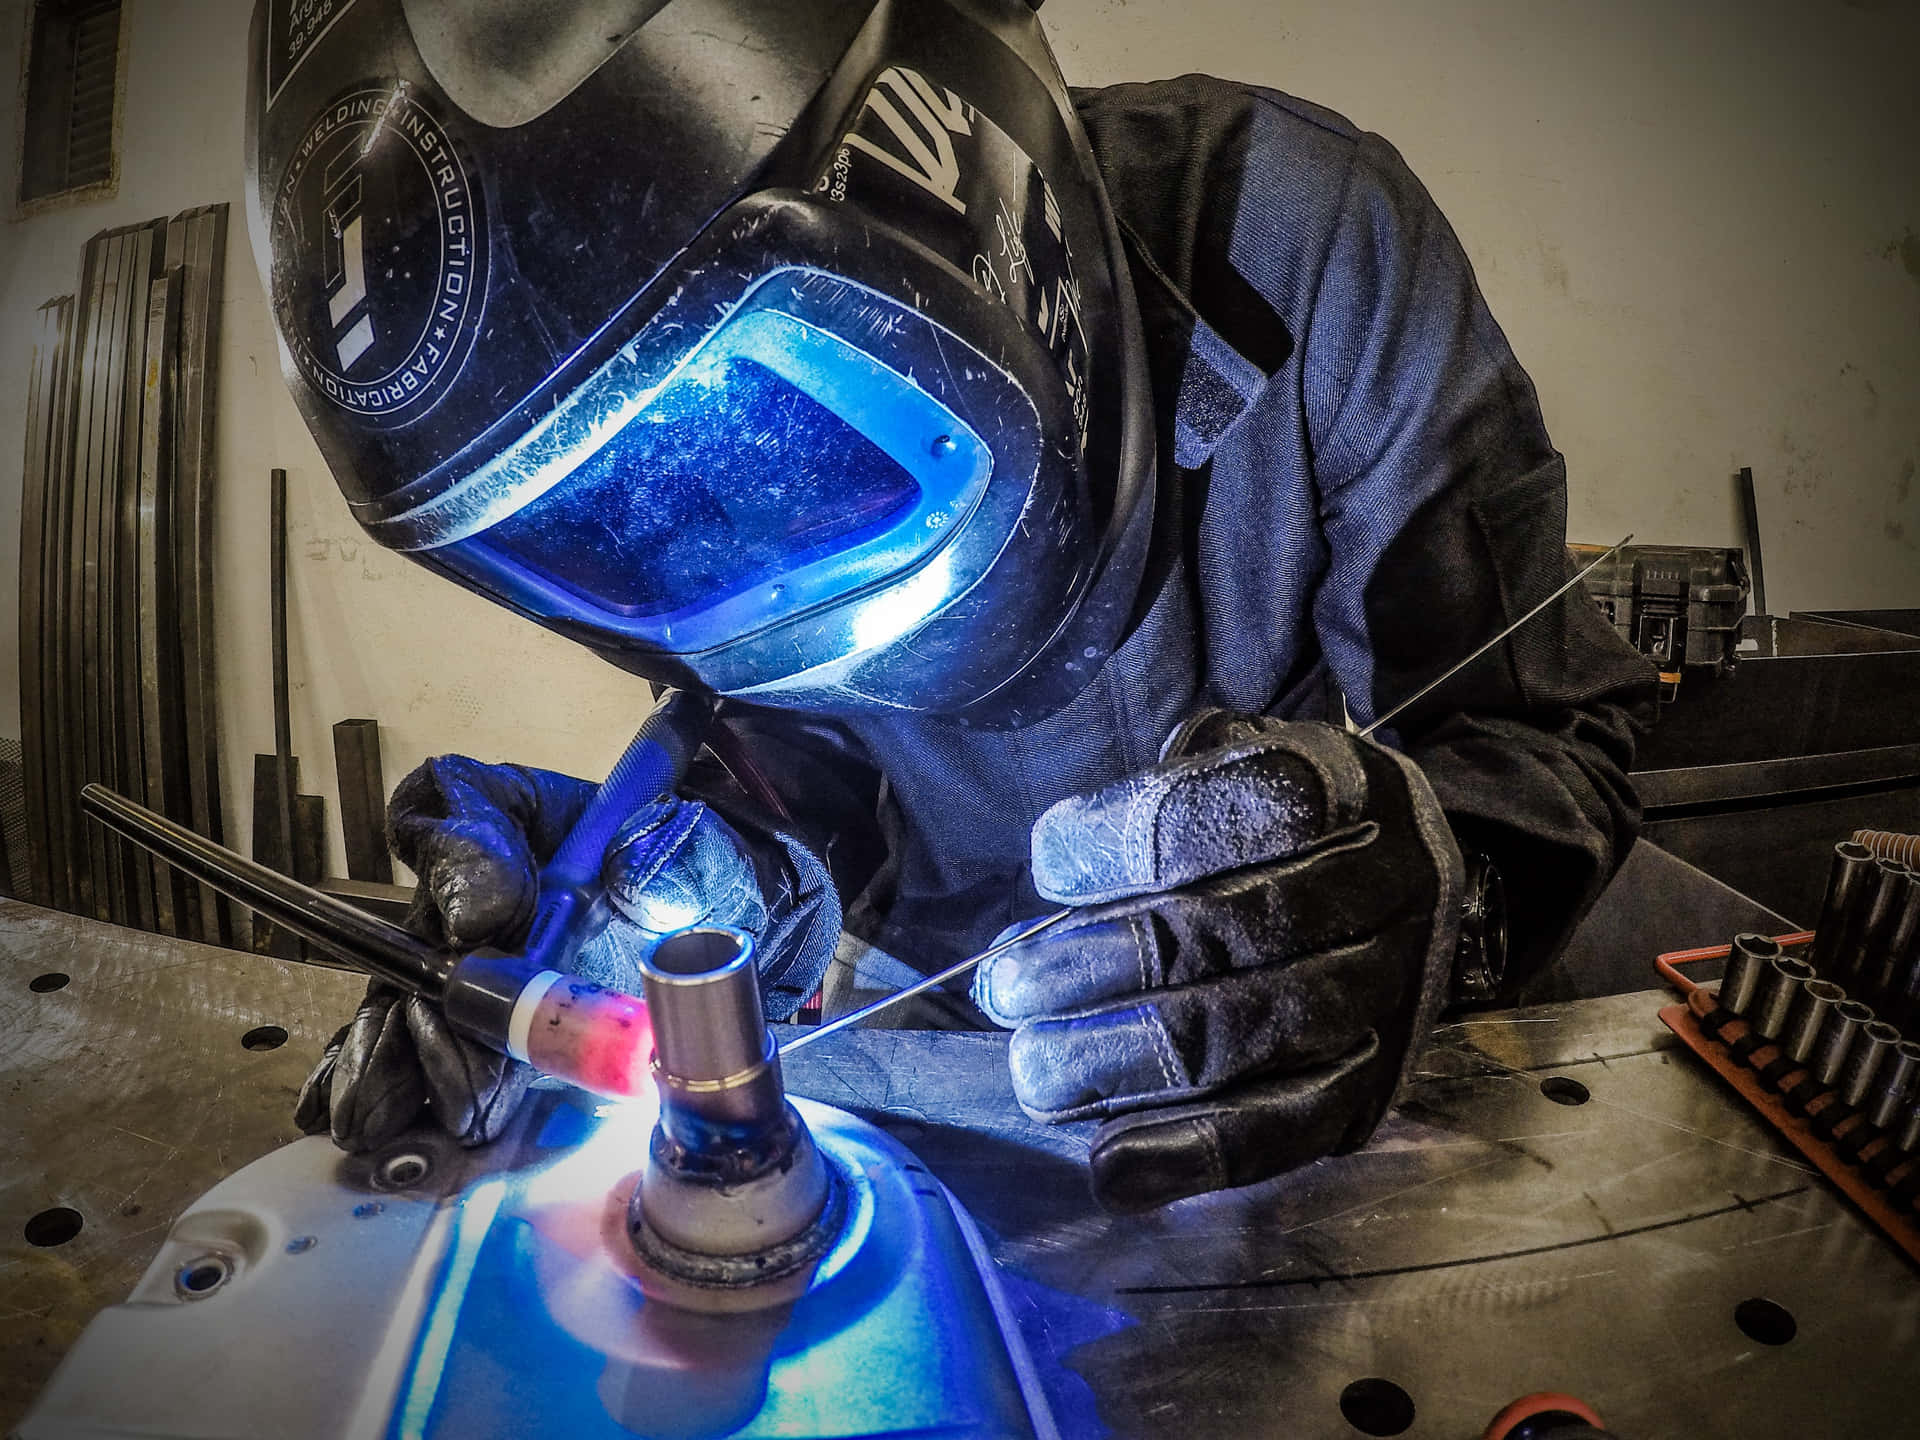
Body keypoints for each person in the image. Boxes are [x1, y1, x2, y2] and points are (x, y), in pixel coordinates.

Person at [251, 0, 1655, 1212]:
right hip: (930, 1063)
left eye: (785, 446)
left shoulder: (1297, 233)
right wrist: (644, 890)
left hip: (1262, 1062)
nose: (762, 567)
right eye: (636, 529)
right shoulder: (749, 576)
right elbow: (802, 774)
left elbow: (1541, 747)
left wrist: (1420, 894)